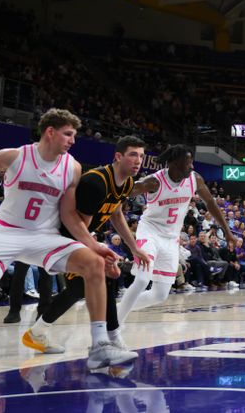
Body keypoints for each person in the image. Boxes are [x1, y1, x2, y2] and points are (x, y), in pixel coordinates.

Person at [0, 109, 136, 382]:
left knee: (94, 263)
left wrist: (93, 245)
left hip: (44, 236)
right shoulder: (15, 156)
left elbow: (68, 215)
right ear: (50, 132)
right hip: (6, 233)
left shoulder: (73, 167)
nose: (72, 141)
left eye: (74, 136)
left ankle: (100, 346)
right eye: (68, 134)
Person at [22, 136, 155, 353]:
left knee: (78, 288)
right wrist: (98, 251)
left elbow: (116, 213)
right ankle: (111, 338)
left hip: (77, 236)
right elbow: (77, 226)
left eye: (141, 156)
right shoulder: (96, 183)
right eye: (133, 154)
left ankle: (37, 333)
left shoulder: (127, 183)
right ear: (118, 156)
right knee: (104, 275)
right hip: (58, 236)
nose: (138, 160)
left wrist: (134, 247)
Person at [117, 145, 235, 323]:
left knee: (160, 294)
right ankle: (113, 325)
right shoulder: (153, 182)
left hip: (171, 239)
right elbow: (123, 191)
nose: (192, 167)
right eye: (188, 163)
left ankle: (113, 310)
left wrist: (227, 231)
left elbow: (210, 203)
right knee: (142, 280)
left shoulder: (195, 180)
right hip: (150, 232)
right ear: (174, 164)